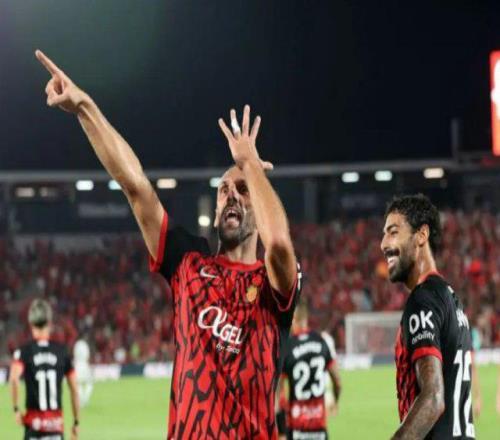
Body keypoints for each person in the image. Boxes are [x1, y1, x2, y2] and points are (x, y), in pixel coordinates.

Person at [36, 50, 301, 439]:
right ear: (215, 209)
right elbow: (136, 186)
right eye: (224, 189)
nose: (231, 194)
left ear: (259, 204)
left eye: (243, 190)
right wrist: (84, 107)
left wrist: (249, 165)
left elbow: (277, 243)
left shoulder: (273, 286)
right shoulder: (188, 262)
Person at [381, 194, 475, 439]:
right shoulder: (450, 298)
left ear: (421, 235)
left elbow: (433, 398)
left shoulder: (423, 300)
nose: (383, 244)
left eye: (393, 232)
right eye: (384, 234)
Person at [9, 299, 80, 440]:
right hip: (55, 428)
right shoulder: (62, 352)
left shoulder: (24, 352)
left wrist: (16, 409)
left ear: (30, 323)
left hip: (33, 428)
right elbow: (74, 389)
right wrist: (76, 422)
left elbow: (14, 379)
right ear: (50, 323)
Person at [277, 298, 341, 440]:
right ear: (306, 318)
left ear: (293, 319)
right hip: (319, 428)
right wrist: (336, 401)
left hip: (296, 428)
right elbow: (337, 381)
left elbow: (277, 392)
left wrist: (280, 428)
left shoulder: (288, 347)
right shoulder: (321, 341)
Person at [73, 337, 93, 408]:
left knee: (78, 384)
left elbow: (75, 355)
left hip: (77, 366)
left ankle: (81, 400)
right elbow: (87, 356)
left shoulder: (76, 344)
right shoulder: (85, 345)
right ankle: (85, 398)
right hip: (85, 365)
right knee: (89, 383)